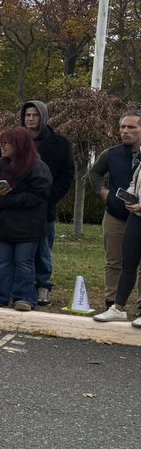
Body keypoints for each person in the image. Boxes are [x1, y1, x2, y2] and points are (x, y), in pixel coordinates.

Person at [0, 127, 52, 311]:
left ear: (19, 145)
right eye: (2, 142)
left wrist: (8, 198)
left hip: (28, 225)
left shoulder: (38, 167)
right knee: (3, 260)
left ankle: (25, 298)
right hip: (3, 223)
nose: (2, 146)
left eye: (7, 143)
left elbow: (39, 195)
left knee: (24, 261)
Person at [18, 100, 74, 306]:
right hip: (18, 206)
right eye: (27, 115)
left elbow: (67, 175)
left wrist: (50, 196)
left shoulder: (60, 143)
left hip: (44, 207)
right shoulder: (15, 140)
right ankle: (20, 286)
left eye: (35, 115)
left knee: (43, 249)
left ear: (43, 117)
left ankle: (43, 286)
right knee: (18, 250)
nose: (30, 119)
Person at [89, 111, 141, 310]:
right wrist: (104, 193)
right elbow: (94, 173)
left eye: (131, 127)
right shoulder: (111, 154)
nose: (125, 131)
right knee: (114, 261)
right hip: (116, 215)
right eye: (122, 127)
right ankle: (112, 302)